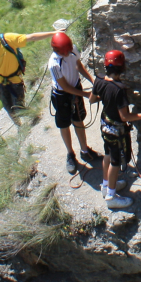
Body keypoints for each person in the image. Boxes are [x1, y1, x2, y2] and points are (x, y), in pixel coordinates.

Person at [90, 49, 141, 210]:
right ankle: (111, 197)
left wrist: (106, 96)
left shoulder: (99, 80)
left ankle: (106, 185)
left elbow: (93, 99)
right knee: (115, 162)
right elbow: (125, 117)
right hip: (115, 131)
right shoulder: (119, 90)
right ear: (122, 68)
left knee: (107, 154)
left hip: (104, 126)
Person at [0, 22, 58, 118]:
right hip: (0, 83)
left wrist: (54, 33)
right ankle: (21, 126)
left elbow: (31, 37)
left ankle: (34, 118)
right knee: (9, 110)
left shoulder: (7, 39)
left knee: (19, 107)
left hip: (15, 80)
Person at [48, 30, 101, 175]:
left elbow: (78, 66)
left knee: (78, 119)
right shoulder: (54, 63)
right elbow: (65, 86)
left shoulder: (72, 50)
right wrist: (85, 94)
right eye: (64, 52)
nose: (67, 54)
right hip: (61, 95)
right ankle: (70, 154)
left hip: (75, 86)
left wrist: (92, 81)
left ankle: (84, 150)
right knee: (64, 124)